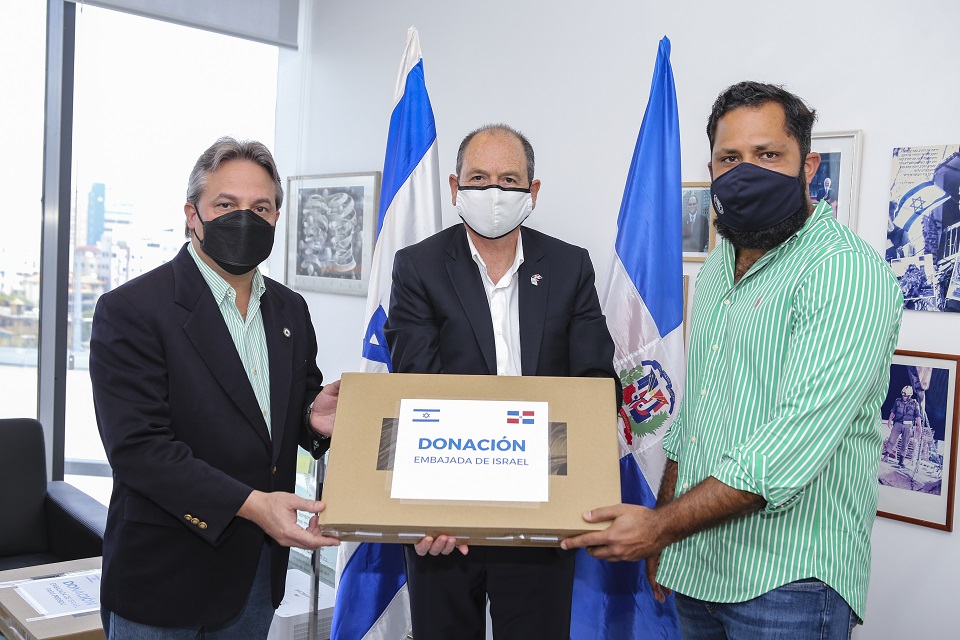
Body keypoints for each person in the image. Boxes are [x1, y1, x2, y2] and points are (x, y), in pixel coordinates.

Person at [562, 82, 903, 639]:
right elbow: (699, 412)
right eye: (731, 158)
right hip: (699, 564)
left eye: (768, 155)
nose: (746, 170)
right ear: (713, 166)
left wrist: (659, 527)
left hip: (788, 579)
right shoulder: (722, 262)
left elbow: (788, 447)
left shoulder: (844, 271)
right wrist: (667, 533)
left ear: (808, 165)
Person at [90, 137, 341, 639]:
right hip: (163, 579)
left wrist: (312, 419)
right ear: (192, 214)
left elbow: (276, 417)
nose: (244, 218)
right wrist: (253, 504)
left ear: (276, 218)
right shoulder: (133, 310)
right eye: (226, 205)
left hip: (256, 578)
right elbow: (139, 450)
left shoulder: (291, 310)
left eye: (261, 207)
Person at [383, 123, 619, 639]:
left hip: (541, 511)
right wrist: (440, 502)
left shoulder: (568, 265)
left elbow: (595, 384)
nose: (494, 191)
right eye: (479, 177)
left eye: (509, 179)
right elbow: (418, 386)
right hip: (445, 519)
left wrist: (563, 489)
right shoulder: (418, 267)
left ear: (532, 192)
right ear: (454, 188)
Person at [885, 385, 923, 467]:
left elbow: (917, 416)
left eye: (905, 396)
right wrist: (889, 420)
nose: (904, 397)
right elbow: (893, 411)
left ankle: (901, 460)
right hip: (898, 423)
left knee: (904, 443)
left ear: (909, 396)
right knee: (892, 439)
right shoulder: (898, 401)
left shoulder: (914, 404)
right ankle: (886, 455)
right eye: (903, 395)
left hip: (908, 425)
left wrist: (919, 427)